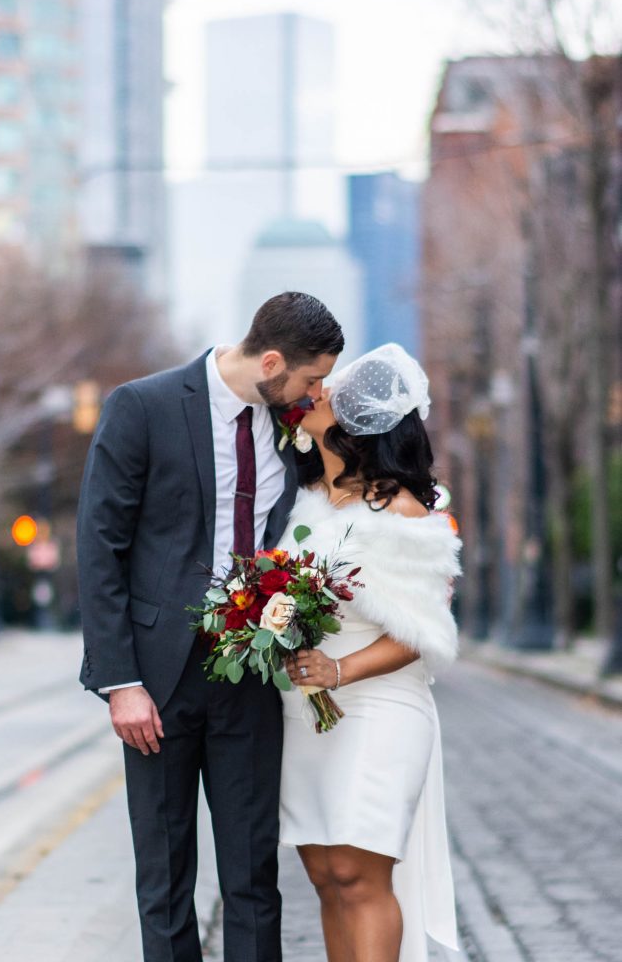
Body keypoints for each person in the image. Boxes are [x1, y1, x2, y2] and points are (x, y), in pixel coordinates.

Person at [76, 292, 344, 962]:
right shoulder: (143, 407)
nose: (316, 393)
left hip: (249, 672)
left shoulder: (292, 425)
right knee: (165, 876)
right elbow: (99, 544)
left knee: (254, 873)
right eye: (312, 380)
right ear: (272, 361)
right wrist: (120, 682)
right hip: (158, 678)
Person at [279, 343, 461, 962]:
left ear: (354, 427)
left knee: (361, 875)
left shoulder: (401, 508)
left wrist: (340, 668)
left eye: (329, 393)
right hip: (307, 715)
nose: (316, 394)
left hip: (380, 708)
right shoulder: (301, 501)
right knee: (327, 875)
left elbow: (421, 630)